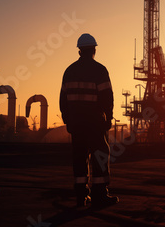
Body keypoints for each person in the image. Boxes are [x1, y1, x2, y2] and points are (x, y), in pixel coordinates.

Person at [60, 33, 118, 207]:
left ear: (79, 51)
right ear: (94, 50)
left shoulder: (69, 71)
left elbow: (63, 99)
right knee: (99, 156)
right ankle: (99, 194)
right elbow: (107, 97)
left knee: (79, 157)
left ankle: (80, 195)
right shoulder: (99, 70)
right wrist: (108, 117)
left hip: (77, 124)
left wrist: (68, 120)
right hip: (95, 123)